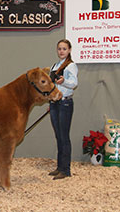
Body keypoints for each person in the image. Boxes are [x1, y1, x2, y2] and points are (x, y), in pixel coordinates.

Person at [48, 39, 78, 180]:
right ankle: (60, 167)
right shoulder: (55, 65)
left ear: (69, 50)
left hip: (65, 103)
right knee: (58, 136)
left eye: (64, 49)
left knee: (64, 137)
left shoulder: (71, 66)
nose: (61, 51)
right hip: (55, 103)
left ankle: (66, 170)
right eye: (59, 48)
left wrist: (63, 82)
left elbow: (74, 84)